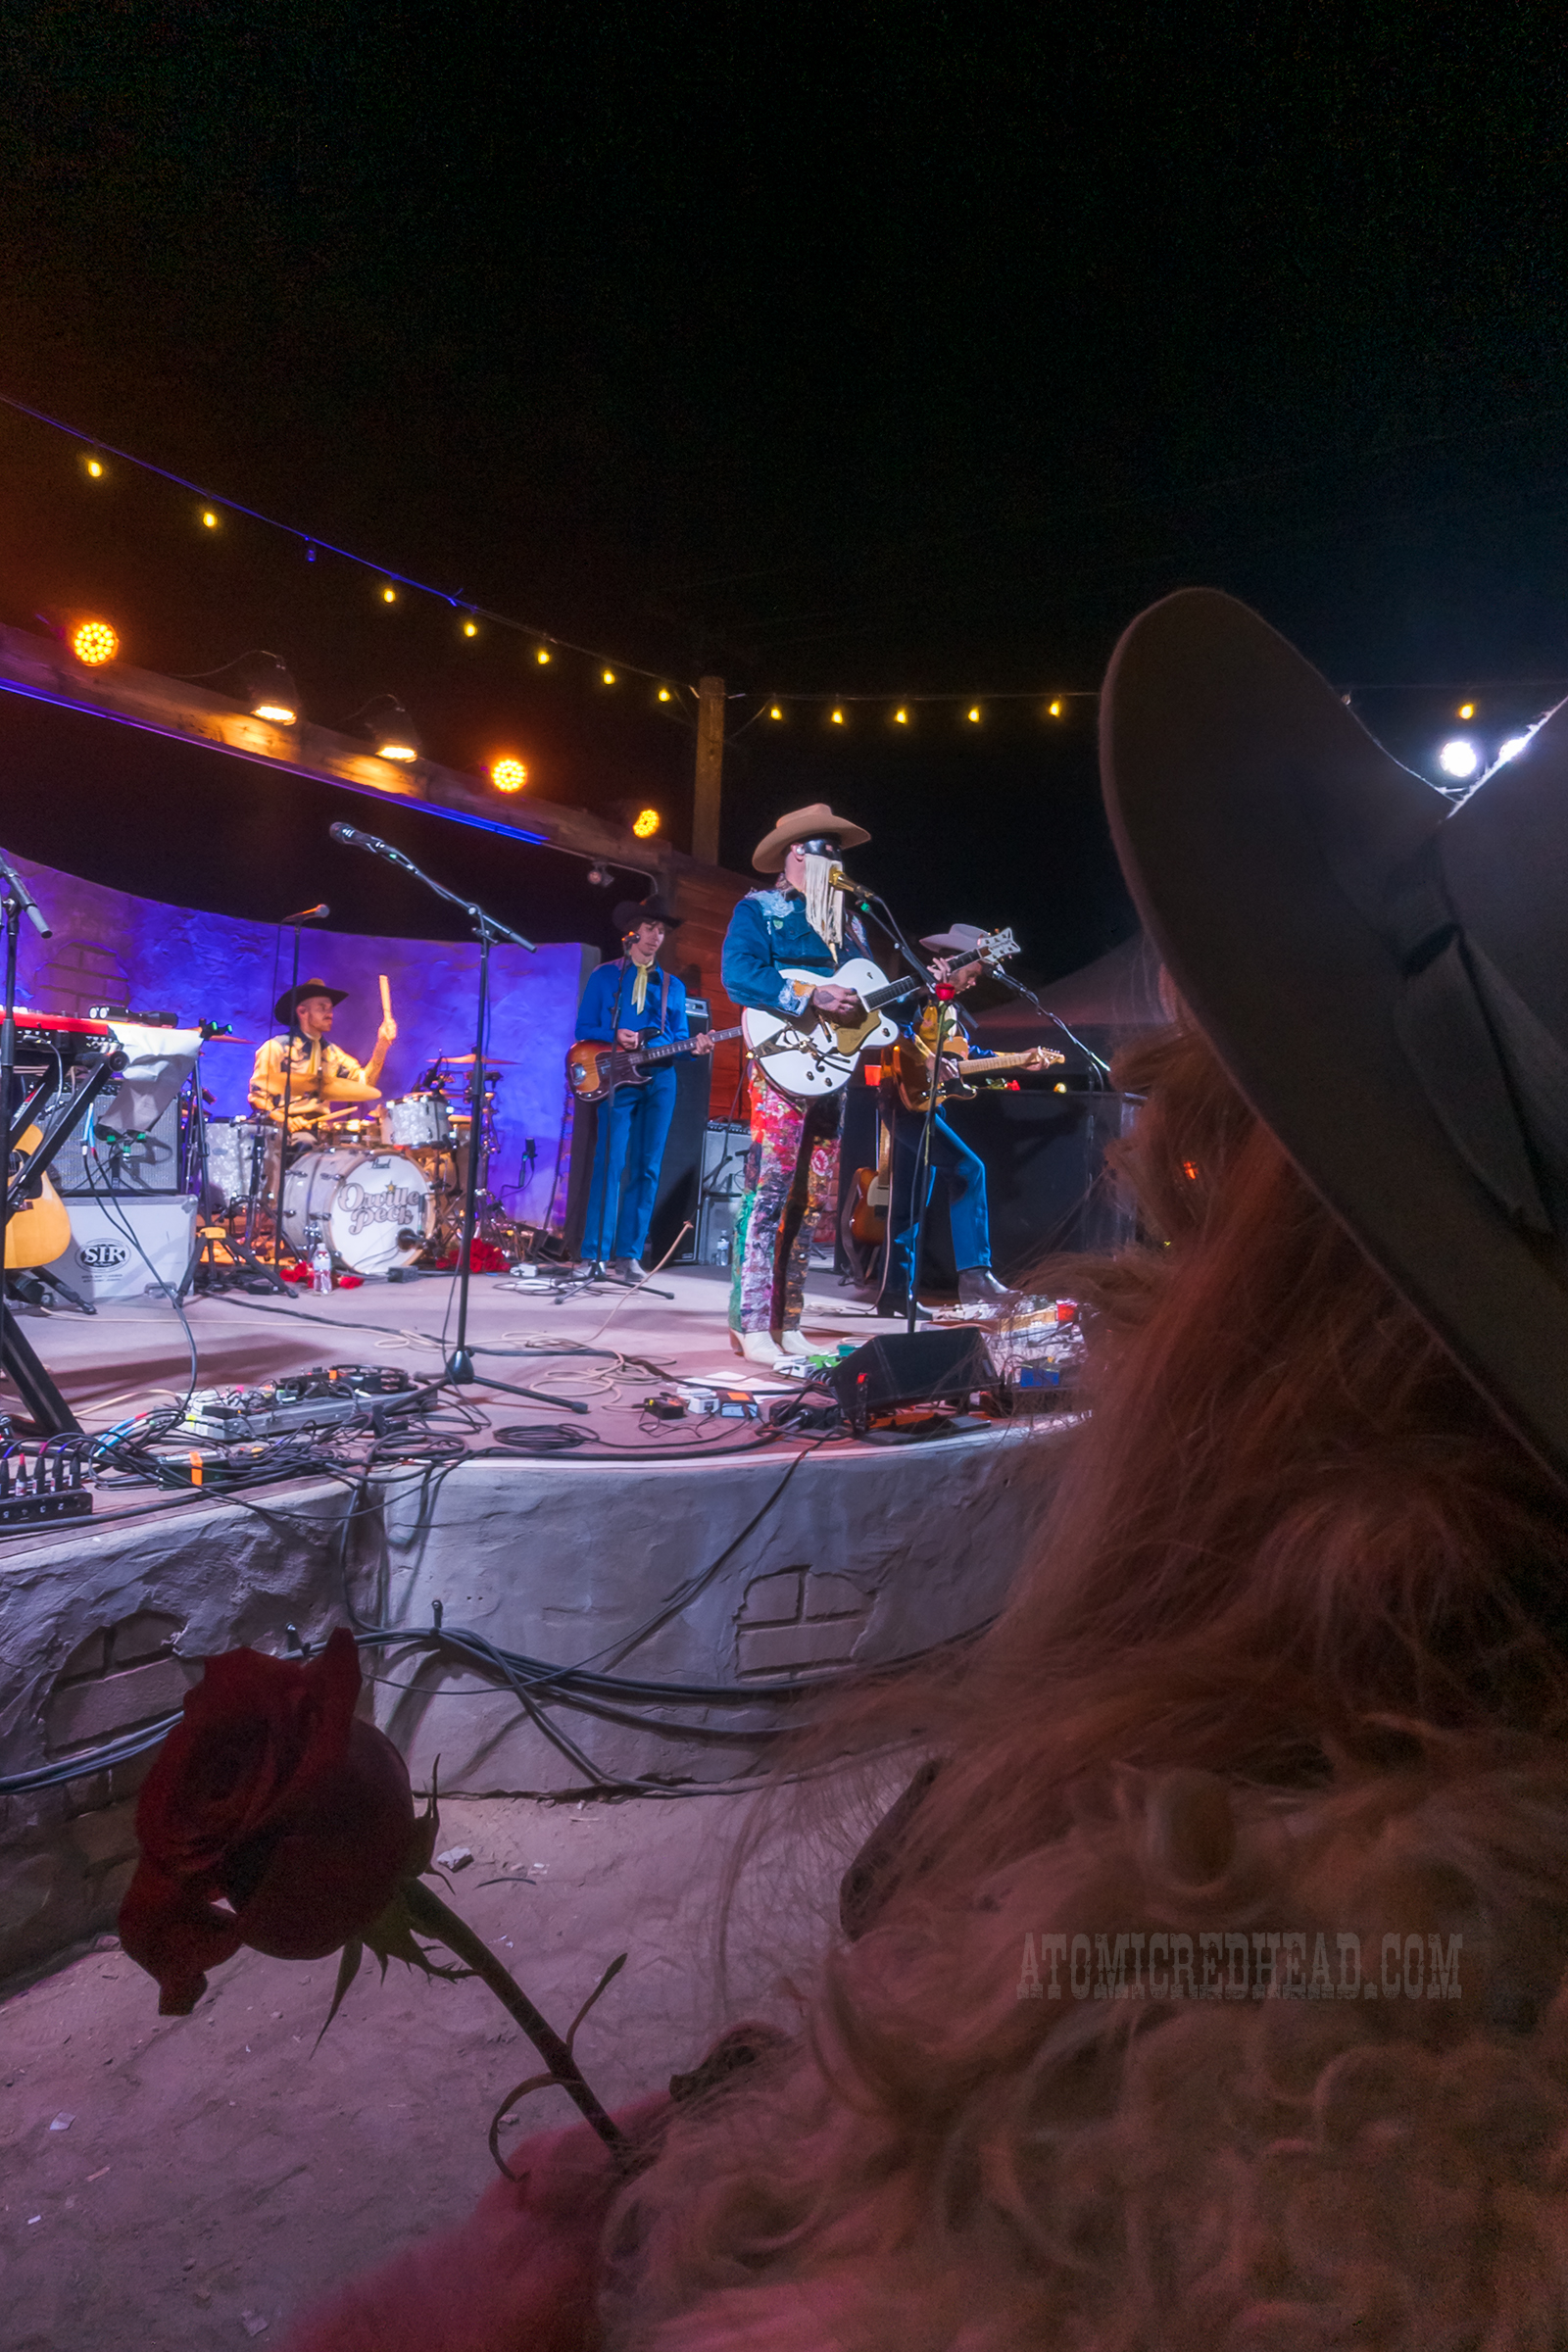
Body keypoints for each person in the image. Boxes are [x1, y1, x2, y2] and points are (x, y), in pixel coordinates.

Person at [287, 592, 1568, 2351]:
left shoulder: (1199, 2102)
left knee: (859, 1213)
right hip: (794, 1073)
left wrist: (913, 981)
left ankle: (805, 1306)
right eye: (822, 845)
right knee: (778, 1205)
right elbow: (774, 1006)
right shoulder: (756, 933)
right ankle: (745, 1316)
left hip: (861, 1065)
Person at [719, 802, 873, 1361]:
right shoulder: (759, 909)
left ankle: (789, 1319)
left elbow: (864, 990)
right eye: (820, 848)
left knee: (812, 1198)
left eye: (835, 849)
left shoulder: (852, 923)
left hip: (833, 1068)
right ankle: (752, 1323)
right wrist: (811, 994)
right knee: (770, 1189)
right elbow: (739, 975)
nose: (831, 858)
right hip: (781, 1062)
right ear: (792, 854)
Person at [876, 922, 1023, 1317]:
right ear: (953, 963)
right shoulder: (915, 992)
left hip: (926, 1103)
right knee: (967, 1170)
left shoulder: (950, 1007)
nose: (974, 983)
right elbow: (893, 1026)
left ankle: (893, 1294)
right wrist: (926, 993)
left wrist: (1016, 1061)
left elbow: (963, 1053)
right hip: (902, 1102)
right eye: (972, 974)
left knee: (908, 1203)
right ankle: (975, 1275)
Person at [574, 899, 712, 1279]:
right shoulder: (605, 977)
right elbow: (583, 1029)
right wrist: (613, 1034)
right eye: (651, 928)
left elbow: (681, 1039)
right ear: (633, 932)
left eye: (662, 931)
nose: (656, 937)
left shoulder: (673, 986)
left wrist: (695, 1049)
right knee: (610, 1162)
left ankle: (629, 1254)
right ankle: (594, 1256)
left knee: (647, 1167)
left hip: (661, 1077)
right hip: (617, 1076)